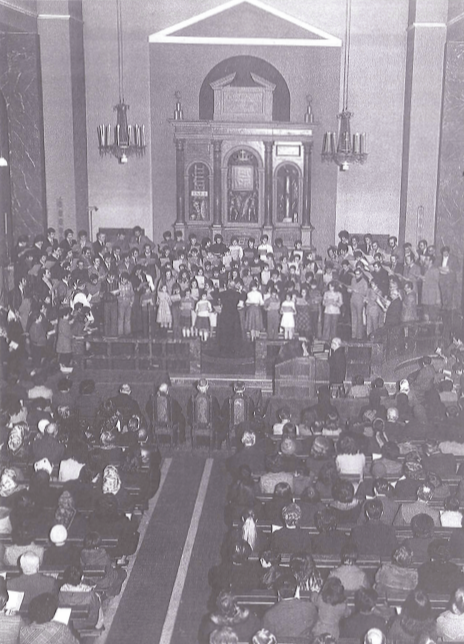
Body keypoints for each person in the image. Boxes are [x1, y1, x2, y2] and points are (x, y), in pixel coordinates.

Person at [261, 573, 317, 639]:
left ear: (278, 592)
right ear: (296, 590)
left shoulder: (269, 614)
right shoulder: (310, 607)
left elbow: (266, 638)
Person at [80, 531, 126, 597]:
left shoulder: (83, 554)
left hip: (90, 581)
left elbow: (82, 565)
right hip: (104, 581)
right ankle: (110, 592)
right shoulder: (102, 554)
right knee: (122, 573)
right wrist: (116, 564)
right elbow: (109, 569)